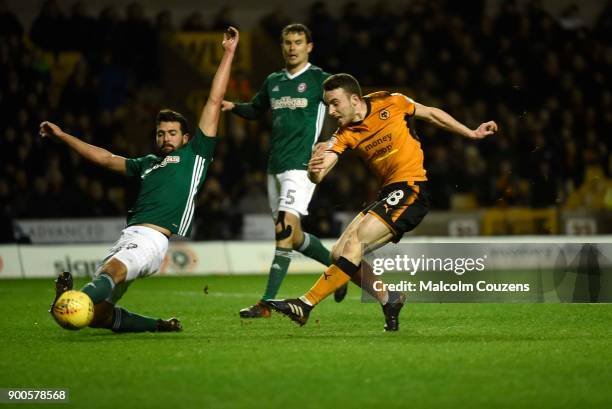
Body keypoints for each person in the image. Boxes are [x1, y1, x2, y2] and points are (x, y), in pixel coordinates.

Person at [44, 27, 240, 333]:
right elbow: (105, 158)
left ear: (185, 137)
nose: (165, 137)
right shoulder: (147, 164)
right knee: (92, 317)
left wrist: (228, 53)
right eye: (160, 133)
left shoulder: (196, 155)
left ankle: (74, 297)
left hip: (151, 240)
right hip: (127, 237)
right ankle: (158, 325)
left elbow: (214, 101)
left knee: (110, 275)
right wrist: (63, 136)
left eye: (172, 133)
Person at [267, 73, 498, 331]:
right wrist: (313, 168)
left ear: (354, 100)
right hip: (388, 193)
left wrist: (471, 132)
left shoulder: (392, 101)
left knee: (356, 242)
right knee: (338, 253)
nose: (330, 111)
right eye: (327, 105)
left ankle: (305, 304)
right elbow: (320, 172)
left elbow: (431, 114)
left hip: (411, 189)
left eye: (334, 103)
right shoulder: (343, 135)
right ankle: (390, 299)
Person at [222, 23, 347, 318]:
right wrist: (232, 106)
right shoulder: (274, 81)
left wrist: (330, 143)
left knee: (283, 230)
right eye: (287, 42)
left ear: (309, 47)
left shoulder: (321, 80)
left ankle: (266, 304)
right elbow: (255, 109)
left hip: (301, 167)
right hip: (274, 166)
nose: (292, 47)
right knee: (296, 237)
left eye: (298, 42)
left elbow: (350, 110)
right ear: (282, 46)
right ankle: (340, 271)